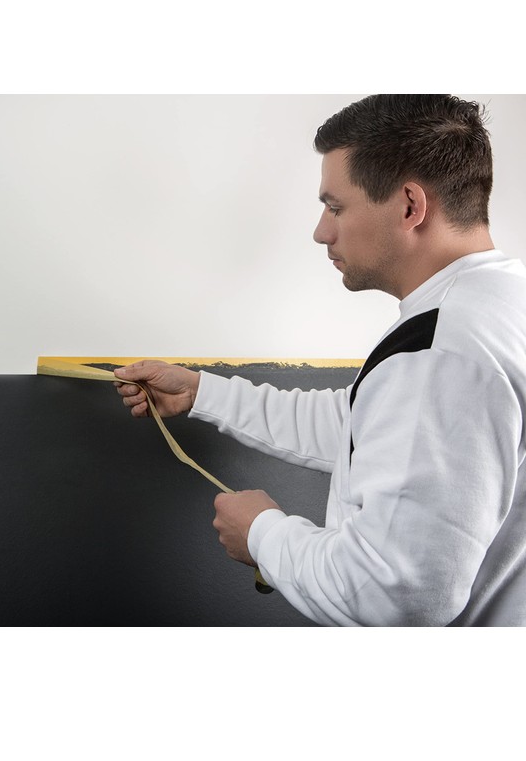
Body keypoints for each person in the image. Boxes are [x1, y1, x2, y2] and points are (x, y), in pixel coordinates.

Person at [113, 94, 526, 627]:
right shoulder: (502, 302)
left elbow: (394, 599)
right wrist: (202, 393)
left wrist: (262, 534)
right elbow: (368, 429)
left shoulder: (438, 353)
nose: (321, 231)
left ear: (409, 205)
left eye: (336, 207)